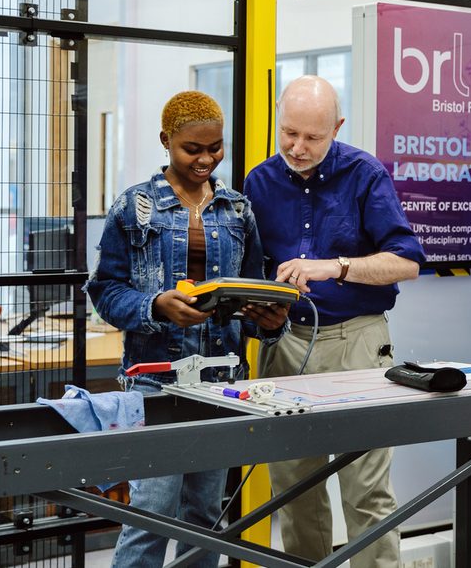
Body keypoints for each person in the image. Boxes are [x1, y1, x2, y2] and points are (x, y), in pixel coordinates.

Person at [86, 90, 289, 568]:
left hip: (221, 384)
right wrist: (156, 304)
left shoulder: (237, 210)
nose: (206, 159)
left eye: (215, 147)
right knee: (151, 513)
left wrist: (268, 319)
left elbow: (249, 290)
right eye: (191, 149)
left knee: (205, 515)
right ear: (166, 141)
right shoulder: (133, 207)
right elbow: (104, 293)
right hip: (155, 383)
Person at [243, 76, 425, 567]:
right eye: (288, 134)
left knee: (364, 489)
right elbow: (251, 270)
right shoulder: (258, 182)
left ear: (337, 128)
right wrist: (263, 304)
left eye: (312, 138)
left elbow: (408, 261)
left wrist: (334, 266)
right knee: (294, 489)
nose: (297, 148)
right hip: (285, 344)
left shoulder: (365, 175)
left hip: (357, 342)